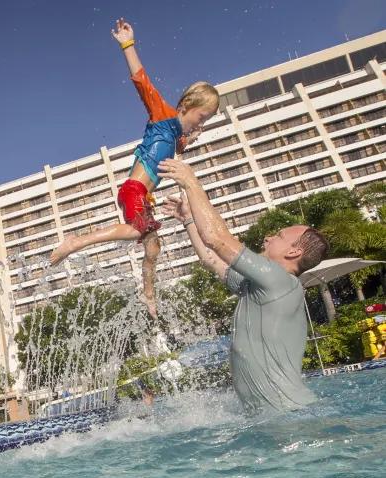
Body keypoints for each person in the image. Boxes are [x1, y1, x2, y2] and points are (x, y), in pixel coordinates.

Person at [48, 18, 220, 319]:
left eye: (206, 121)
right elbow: (142, 81)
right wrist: (128, 44)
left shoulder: (179, 136)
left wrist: (188, 140)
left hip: (145, 197)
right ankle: (76, 242)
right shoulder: (163, 115)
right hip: (134, 189)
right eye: (201, 117)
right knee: (137, 230)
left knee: (153, 247)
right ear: (185, 106)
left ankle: (149, 296)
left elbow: (177, 149)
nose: (201, 124)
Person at [158, 157, 329, 411]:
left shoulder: (279, 279)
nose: (269, 237)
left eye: (280, 236)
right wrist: (189, 221)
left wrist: (190, 181)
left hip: (288, 415)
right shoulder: (259, 287)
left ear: (294, 253)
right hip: (272, 416)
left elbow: (216, 238)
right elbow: (210, 259)